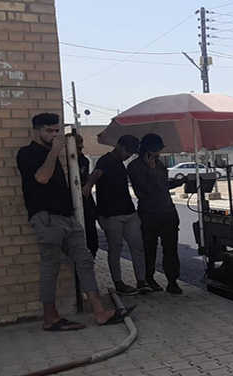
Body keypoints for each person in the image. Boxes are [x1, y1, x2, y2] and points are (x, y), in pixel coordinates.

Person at [16, 113, 129, 331]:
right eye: (49, 130)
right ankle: (50, 318)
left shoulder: (54, 154)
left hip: (66, 216)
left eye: (56, 130)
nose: (54, 134)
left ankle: (100, 311)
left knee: (84, 260)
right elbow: (41, 178)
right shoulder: (28, 153)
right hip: (45, 217)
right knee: (51, 265)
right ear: (36, 132)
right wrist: (54, 151)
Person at [83, 134, 150, 296]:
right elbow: (94, 177)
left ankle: (141, 281)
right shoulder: (105, 161)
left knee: (138, 247)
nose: (128, 155)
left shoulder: (120, 163)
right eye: (127, 150)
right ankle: (118, 283)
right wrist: (86, 193)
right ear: (118, 145)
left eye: (131, 153)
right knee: (115, 248)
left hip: (129, 212)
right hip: (111, 215)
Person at [127, 133, 184, 295]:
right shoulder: (135, 167)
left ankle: (172, 281)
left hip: (168, 211)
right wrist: (151, 170)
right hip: (149, 213)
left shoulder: (158, 164)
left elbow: (162, 186)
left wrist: (180, 182)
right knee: (149, 248)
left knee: (171, 249)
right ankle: (148, 278)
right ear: (145, 150)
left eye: (159, 151)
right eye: (154, 151)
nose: (158, 154)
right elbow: (146, 189)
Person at [75, 134, 99, 259]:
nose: (79, 151)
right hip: (72, 207)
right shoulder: (65, 161)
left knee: (91, 242)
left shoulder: (83, 161)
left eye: (80, 148)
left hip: (86, 203)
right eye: (77, 148)